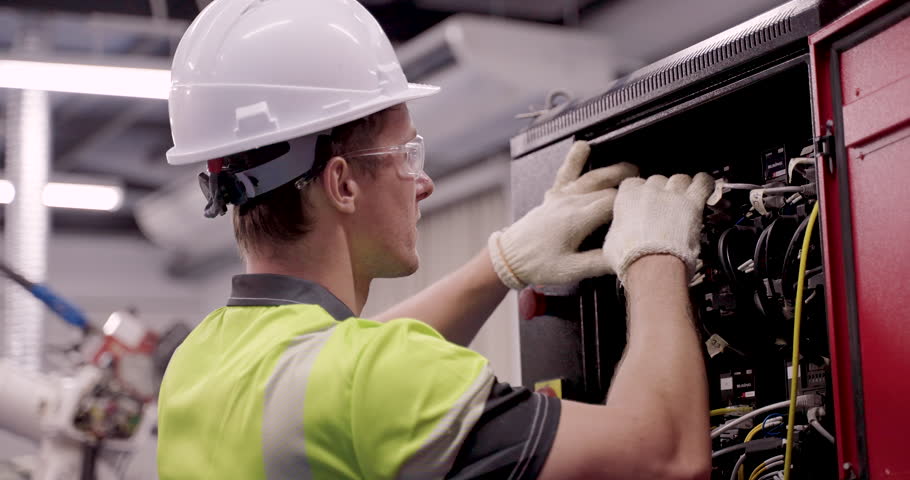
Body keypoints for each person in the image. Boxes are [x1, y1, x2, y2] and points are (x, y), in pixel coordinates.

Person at [156, 0, 714, 479]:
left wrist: (502, 262)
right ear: (343, 183)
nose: (423, 182)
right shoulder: (369, 380)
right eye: (406, 154)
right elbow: (664, 456)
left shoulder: (197, 362)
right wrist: (653, 253)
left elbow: (342, 371)